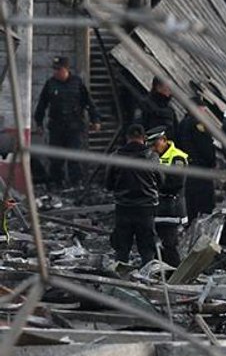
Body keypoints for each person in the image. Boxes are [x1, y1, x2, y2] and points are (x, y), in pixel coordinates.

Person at [34, 56, 101, 187]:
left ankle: (76, 184)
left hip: (74, 128)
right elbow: (42, 105)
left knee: (74, 157)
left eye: (58, 69)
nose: (56, 72)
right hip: (56, 128)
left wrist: (95, 120)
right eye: (54, 69)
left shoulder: (77, 83)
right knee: (56, 159)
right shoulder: (50, 84)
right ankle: (57, 184)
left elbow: (89, 103)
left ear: (66, 69)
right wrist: (39, 124)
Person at [107, 124, 159, 264]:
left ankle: (120, 279)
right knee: (147, 249)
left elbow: (108, 184)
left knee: (122, 248)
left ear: (127, 138)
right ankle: (148, 280)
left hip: (123, 208)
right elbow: (161, 181)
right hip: (146, 208)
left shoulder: (115, 157)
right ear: (144, 138)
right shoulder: (152, 157)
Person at [148, 127, 188, 267]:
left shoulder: (177, 157)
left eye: (155, 144)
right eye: (150, 145)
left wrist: (153, 186)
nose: (153, 148)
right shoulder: (153, 157)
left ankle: (175, 272)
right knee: (158, 243)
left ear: (164, 140)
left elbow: (176, 183)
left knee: (169, 243)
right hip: (158, 207)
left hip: (172, 206)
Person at [173, 100, 217, 222]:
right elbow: (205, 146)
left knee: (191, 200)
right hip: (201, 167)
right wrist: (211, 162)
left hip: (189, 166)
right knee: (204, 203)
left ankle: (191, 223)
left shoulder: (183, 123)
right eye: (202, 109)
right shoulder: (197, 124)